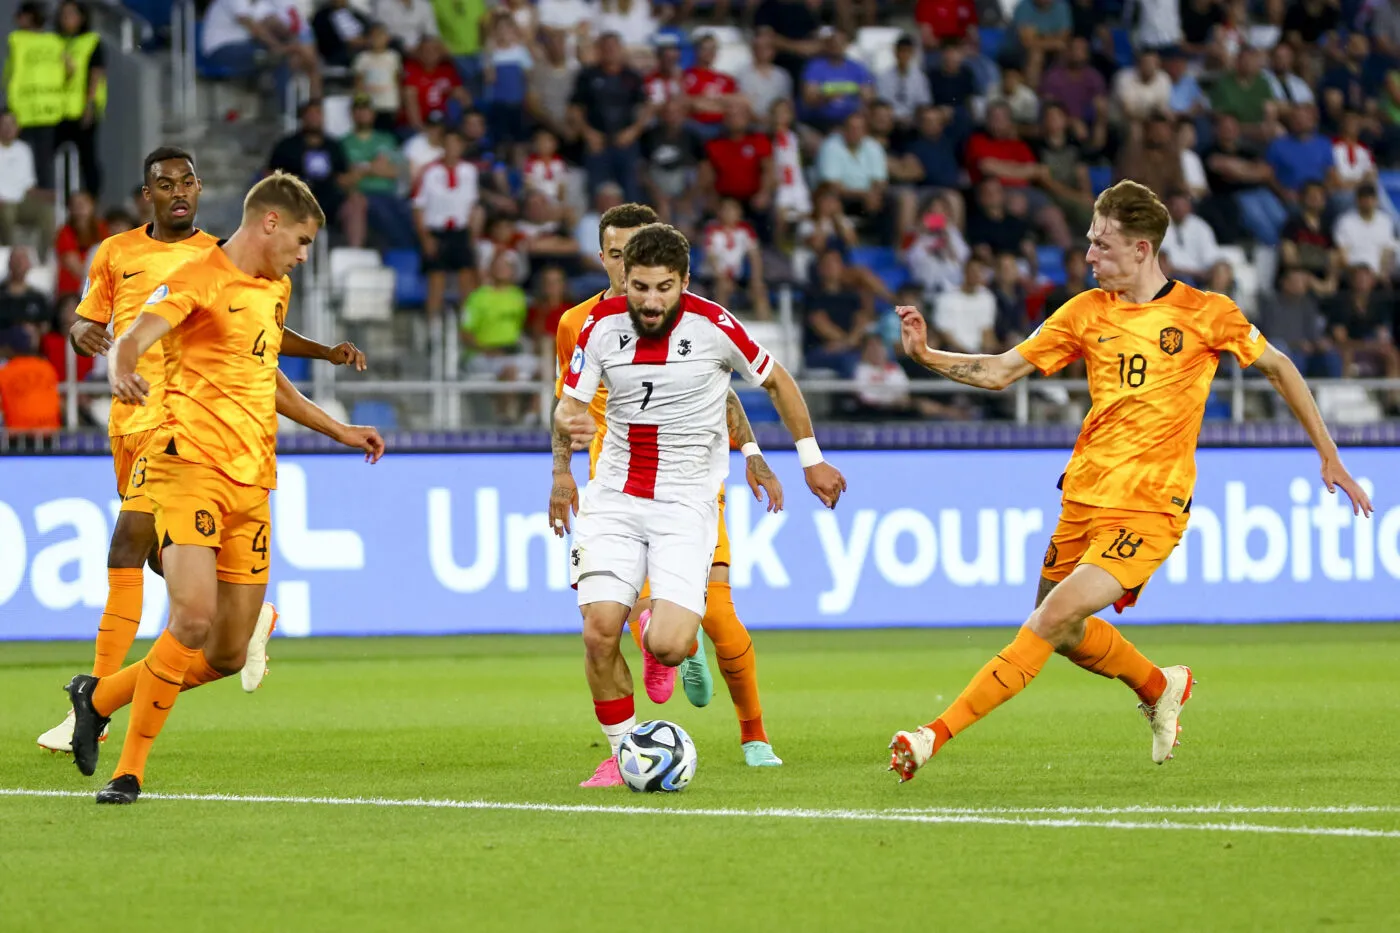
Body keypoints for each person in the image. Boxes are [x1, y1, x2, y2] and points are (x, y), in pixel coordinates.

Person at [887, 179, 1373, 782]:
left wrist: (1329, 455)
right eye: (1090, 243)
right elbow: (1001, 372)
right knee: (1059, 629)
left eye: (1102, 245)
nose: (1089, 256)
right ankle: (1158, 684)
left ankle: (932, 736)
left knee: (1047, 619)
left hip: (1150, 509)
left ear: (1142, 249)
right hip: (1083, 497)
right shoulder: (1085, 313)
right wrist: (927, 357)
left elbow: (1280, 368)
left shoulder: (1206, 313)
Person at [62, 172, 385, 804]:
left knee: (229, 653)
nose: (302, 254)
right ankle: (129, 771)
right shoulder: (197, 277)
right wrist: (124, 370)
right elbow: (136, 336)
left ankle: (96, 698)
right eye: (301, 240)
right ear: (269, 223)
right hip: (188, 470)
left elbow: (267, 376)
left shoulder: (275, 289)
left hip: (251, 484)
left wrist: (339, 430)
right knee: (192, 618)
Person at [551, 222, 846, 787]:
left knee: (669, 641)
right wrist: (565, 433)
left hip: (686, 506)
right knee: (598, 630)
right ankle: (620, 756)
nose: (651, 300)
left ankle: (675, 643)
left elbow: (777, 383)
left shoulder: (714, 325)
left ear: (683, 282)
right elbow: (568, 405)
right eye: (639, 287)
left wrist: (809, 458)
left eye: (664, 287)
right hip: (613, 498)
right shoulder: (596, 326)